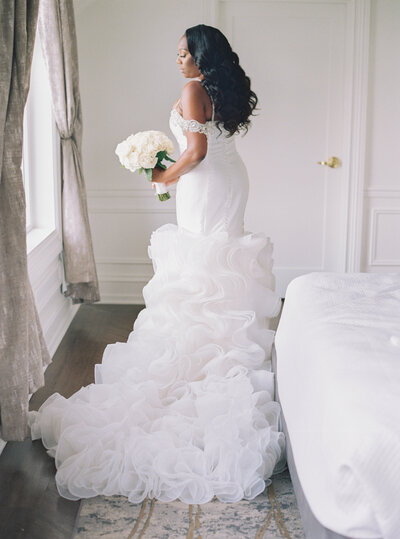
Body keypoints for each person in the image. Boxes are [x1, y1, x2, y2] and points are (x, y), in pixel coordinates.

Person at [29, 24, 286, 505]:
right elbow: (209, 146)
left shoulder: (193, 89)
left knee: (201, 265)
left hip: (207, 182)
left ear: (202, 57)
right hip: (227, 181)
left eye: (185, 52)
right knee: (215, 263)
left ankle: (197, 365)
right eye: (178, 53)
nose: (179, 60)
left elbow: (196, 151)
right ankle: (218, 353)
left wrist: (160, 173)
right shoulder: (216, 88)